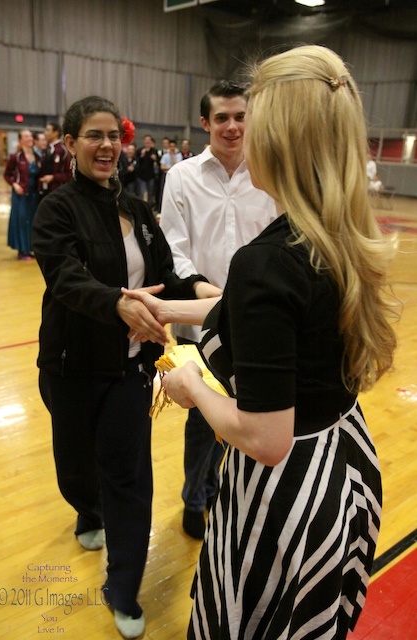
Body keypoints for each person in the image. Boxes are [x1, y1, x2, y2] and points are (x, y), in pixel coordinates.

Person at [125, 45, 398, 639]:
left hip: (287, 495)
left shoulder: (265, 262)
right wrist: (168, 305)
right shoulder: (332, 231)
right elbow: (266, 318)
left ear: (276, 140)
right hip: (343, 463)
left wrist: (191, 386)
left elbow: (264, 437)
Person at [31, 96, 219, 640]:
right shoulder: (57, 209)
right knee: (76, 468)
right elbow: (64, 277)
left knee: (130, 478)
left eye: (114, 135)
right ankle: (87, 510)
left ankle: (123, 586)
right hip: (69, 370)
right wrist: (117, 301)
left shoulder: (138, 212)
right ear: (70, 144)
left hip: (131, 372)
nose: (108, 145)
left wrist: (214, 295)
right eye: (94, 135)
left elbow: (169, 276)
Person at [160, 80, 277, 539]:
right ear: (206, 123)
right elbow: (172, 245)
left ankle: (218, 487)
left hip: (260, 320)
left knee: (248, 414)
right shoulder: (182, 177)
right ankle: (195, 496)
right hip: (201, 319)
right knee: (201, 419)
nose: (232, 126)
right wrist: (200, 287)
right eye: (222, 118)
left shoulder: (269, 173)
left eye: (240, 116)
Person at [4, 129, 41, 260]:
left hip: (33, 194)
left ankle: (31, 248)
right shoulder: (16, 157)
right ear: (21, 140)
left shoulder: (37, 156)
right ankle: (22, 250)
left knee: (32, 220)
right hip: (20, 194)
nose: (29, 138)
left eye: (30, 136)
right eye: (26, 136)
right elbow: (7, 175)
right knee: (21, 220)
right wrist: (15, 185)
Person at [39, 121, 72, 197]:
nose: (45, 133)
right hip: (45, 190)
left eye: (48, 130)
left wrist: (53, 177)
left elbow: (69, 174)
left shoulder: (64, 150)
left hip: (59, 192)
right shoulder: (46, 149)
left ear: (55, 133)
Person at [135, 134, 159, 208]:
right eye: (146, 140)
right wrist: (141, 156)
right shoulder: (140, 150)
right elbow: (136, 162)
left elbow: (159, 162)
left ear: (151, 141)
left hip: (150, 175)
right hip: (141, 175)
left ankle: (148, 207)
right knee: (141, 193)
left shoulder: (154, 151)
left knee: (150, 193)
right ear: (144, 141)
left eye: (149, 141)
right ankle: (140, 207)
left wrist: (155, 159)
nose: (147, 142)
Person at [158, 139, 182, 212]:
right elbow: (162, 167)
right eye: (170, 146)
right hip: (165, 174)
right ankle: (161, 209)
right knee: (162, 191)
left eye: (173, 146)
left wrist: (172, 157)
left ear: (175, 147)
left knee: (174, 192)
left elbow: (178, 166)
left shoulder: (179, 155)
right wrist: (172, 167)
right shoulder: (165, 156)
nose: (172, 148)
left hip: (175, 176)